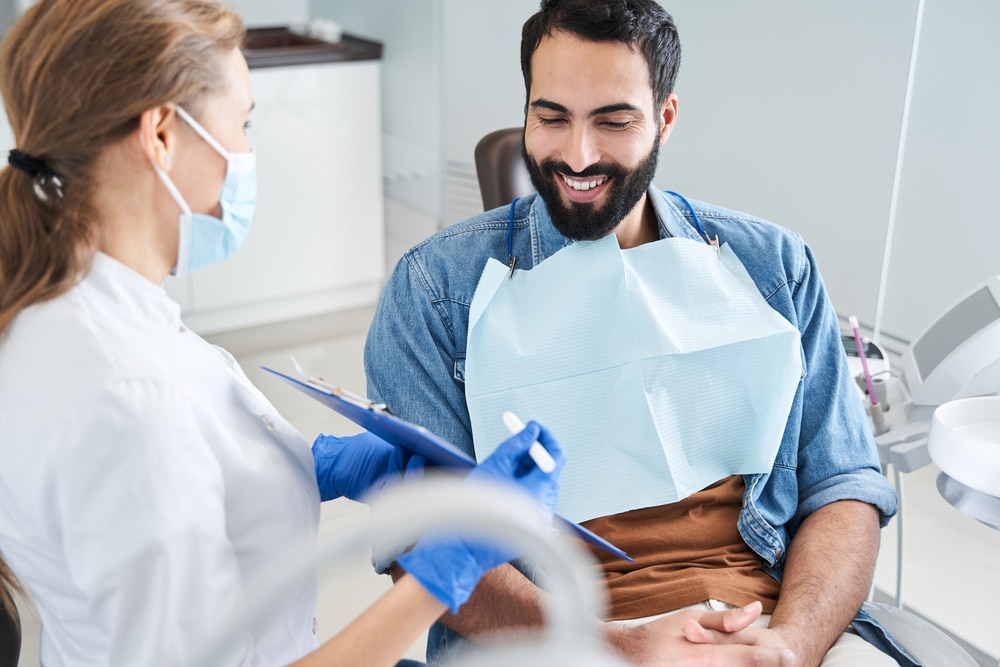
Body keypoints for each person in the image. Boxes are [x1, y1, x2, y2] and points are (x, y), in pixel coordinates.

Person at [0, 1, 567, 666]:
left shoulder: (62, 312)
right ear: (160, 135)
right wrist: (446, 571)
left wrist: (303, 465)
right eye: (240, 123)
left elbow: (179, 484)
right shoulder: (129, 399)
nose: (246, 153)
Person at [363, 1, 908, 666]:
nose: (578, 154)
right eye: (551, 116)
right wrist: (619, 649)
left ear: (665, 119)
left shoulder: (773, 268)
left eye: (614, 121)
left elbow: (842, 485)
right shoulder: (432, 291)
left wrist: (792, 644)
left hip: (765, 623)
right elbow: (426, 545)